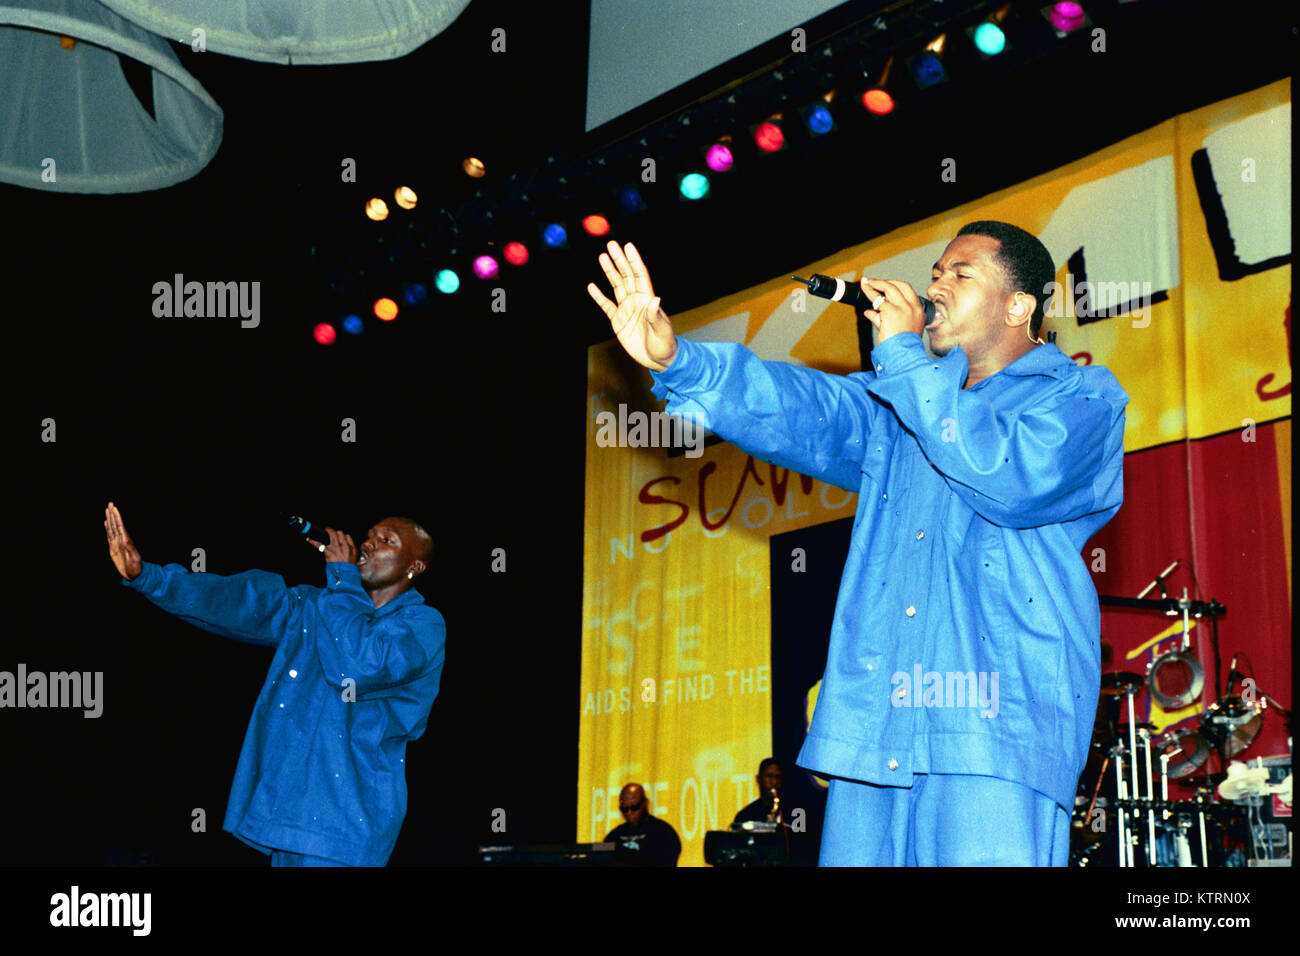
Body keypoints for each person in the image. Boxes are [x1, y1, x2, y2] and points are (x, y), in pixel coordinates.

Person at [587, 223, 1129, 866]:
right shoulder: (900, 410)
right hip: (879, 731)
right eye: (935, 272)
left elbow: (1007, 476)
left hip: (992, 731)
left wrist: (902, 356)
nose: (935, 285)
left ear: (1019, 306)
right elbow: (799, 405)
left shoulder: (1081, 396)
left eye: (960, 274)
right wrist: (679, 359)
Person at [103, 501, 445, 867]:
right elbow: (240, 601)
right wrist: (148, 577)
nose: (370, 543)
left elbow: (358, 666)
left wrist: (342, 577)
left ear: (414, 566)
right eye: (371, 535)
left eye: (387, 540)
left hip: (345, 826)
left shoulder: (422, 624)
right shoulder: (318, 607)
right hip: (288, 817)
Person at [603, 783, 681, 866]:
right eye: (624, 809)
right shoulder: (615, 835)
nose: (629, 813)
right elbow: (597, 851)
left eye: (634, 807)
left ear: (645, 803)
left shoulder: (664, 832)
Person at [732, 758, 786, 826]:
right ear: (758, 779)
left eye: (778, 777)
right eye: (769, 776)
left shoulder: (794, 812)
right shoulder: (745, 815)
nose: (774, 782)